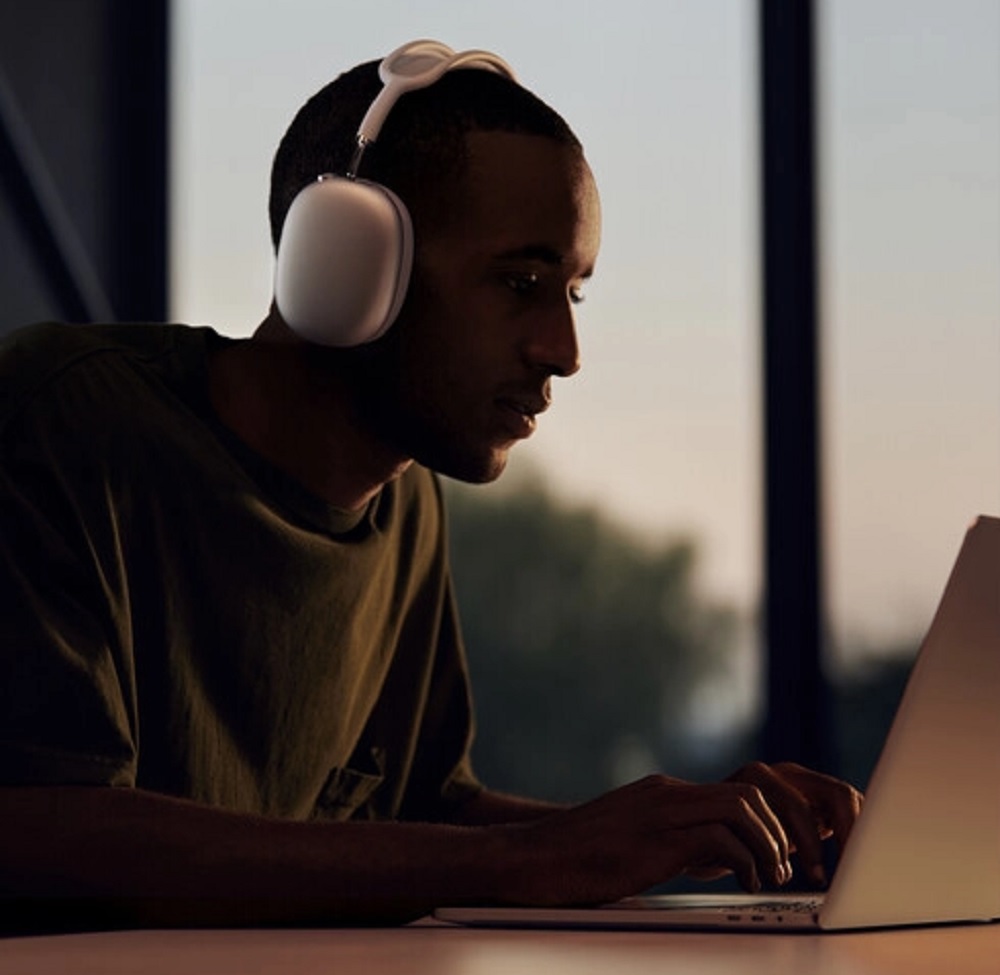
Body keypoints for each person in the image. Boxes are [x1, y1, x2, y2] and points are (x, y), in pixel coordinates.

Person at [0, 41, 862, 930]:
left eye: (572, 292)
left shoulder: (403, 500)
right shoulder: (67, 420)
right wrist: (541, 857)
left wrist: (679, 832)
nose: (563, 353)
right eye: (521, 282)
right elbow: (42, 829)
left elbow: (423, 817)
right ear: (347, 261)